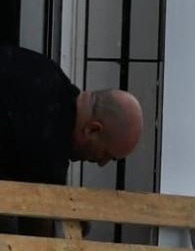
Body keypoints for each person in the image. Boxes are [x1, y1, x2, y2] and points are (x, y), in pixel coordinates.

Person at [0, 45, 144, 183]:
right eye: (106, 154)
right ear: (92, 129)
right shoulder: (47, 167)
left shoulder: (44, 68)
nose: (101, 163)